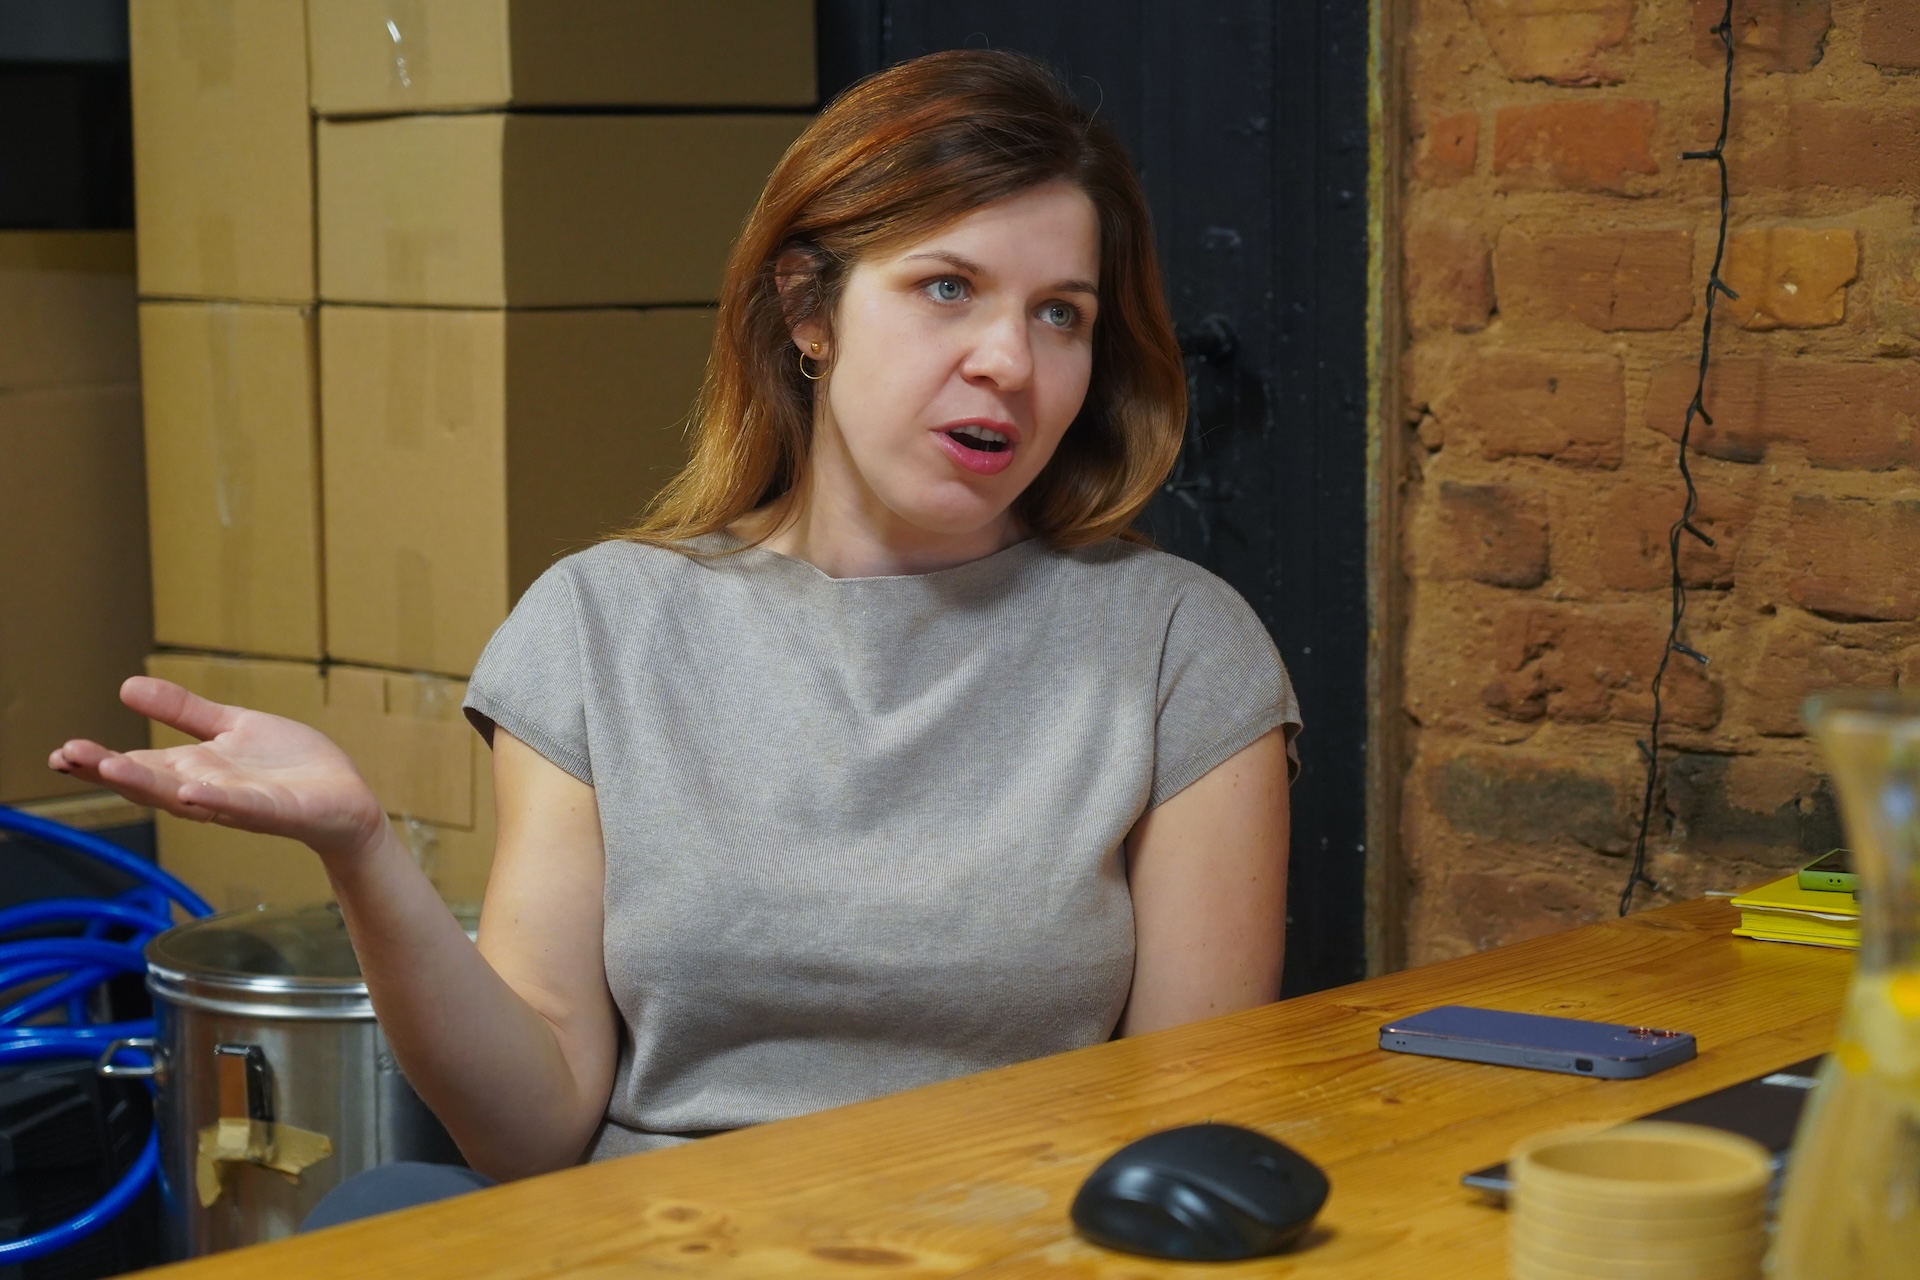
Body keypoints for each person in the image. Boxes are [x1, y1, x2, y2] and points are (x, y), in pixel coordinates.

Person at [50, 49, 1300, 1211]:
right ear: (809, 312)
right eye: (946, 288)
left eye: (1059, 314)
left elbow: (1189, 1136)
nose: (1009, 363)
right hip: (664, 1239)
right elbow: (532, 1130)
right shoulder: (600, 621)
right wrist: (364, 852)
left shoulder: (1177, 646)